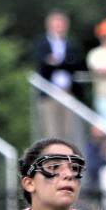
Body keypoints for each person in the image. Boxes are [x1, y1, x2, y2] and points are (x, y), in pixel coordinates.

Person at [33, 10, 85, 142]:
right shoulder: (41, 43)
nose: (59, 27)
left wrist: (57, 62)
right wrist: (64, 62)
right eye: (56, 24)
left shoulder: (71, 45)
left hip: (68, 92)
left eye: (61, 24)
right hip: (49, 93)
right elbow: (42, 64)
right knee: (51, 132)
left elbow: (78, 64)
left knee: (69, 132)